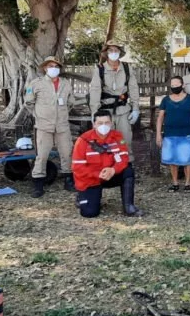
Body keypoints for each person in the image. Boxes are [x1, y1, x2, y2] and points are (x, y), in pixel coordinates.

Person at [72, 110, 143, 218]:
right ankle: (82, 195)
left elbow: (123, 158)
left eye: (107, 122)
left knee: (128, 171)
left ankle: (129, 207)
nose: (104, 126)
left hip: (110, 174)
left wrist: (113, 170)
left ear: (111, 123)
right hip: (91, 179)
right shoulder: (83, 140)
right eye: (100, 123)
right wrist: (97, 174)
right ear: (94, 124)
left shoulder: (117, 136)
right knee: (89, 213)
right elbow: (78, 167)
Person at [24, 56, 76, 198]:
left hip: (62, 126)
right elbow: (29, 103)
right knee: (42, 155)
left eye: (56, 66)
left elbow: (70, 102)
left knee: (67, 153)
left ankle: (69, 180)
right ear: (45, 68)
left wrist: (62, 114)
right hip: (43, 126)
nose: (54, 68)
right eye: (50, 66)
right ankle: (38, 184)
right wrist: (39, 115)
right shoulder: (36, 83)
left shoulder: (66, 84)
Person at [89, 40, 140, 161]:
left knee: (125, 140)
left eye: (116, 50)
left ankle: (127, 168)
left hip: (123, 111)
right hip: (105, 112)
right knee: (106, 141)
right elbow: (95, 90)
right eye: (110, 50)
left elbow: (133, 88)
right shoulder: (99, 69)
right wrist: (94, 112)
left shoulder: (127, 68)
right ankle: (108, 167)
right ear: (106, 53)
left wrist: (136, 108)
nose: (113, 53)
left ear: (120, 52)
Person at [156, 76, 190, 192]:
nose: (175, 87)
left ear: (183, 85)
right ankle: (175, 182)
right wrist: (158, 134)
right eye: (173, 86)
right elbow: (160, 118)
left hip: (186, 133)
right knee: (172, 159)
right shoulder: (166, 100)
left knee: (187, 159)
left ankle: (188, 183)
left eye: (177, 85)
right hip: (169, 133)